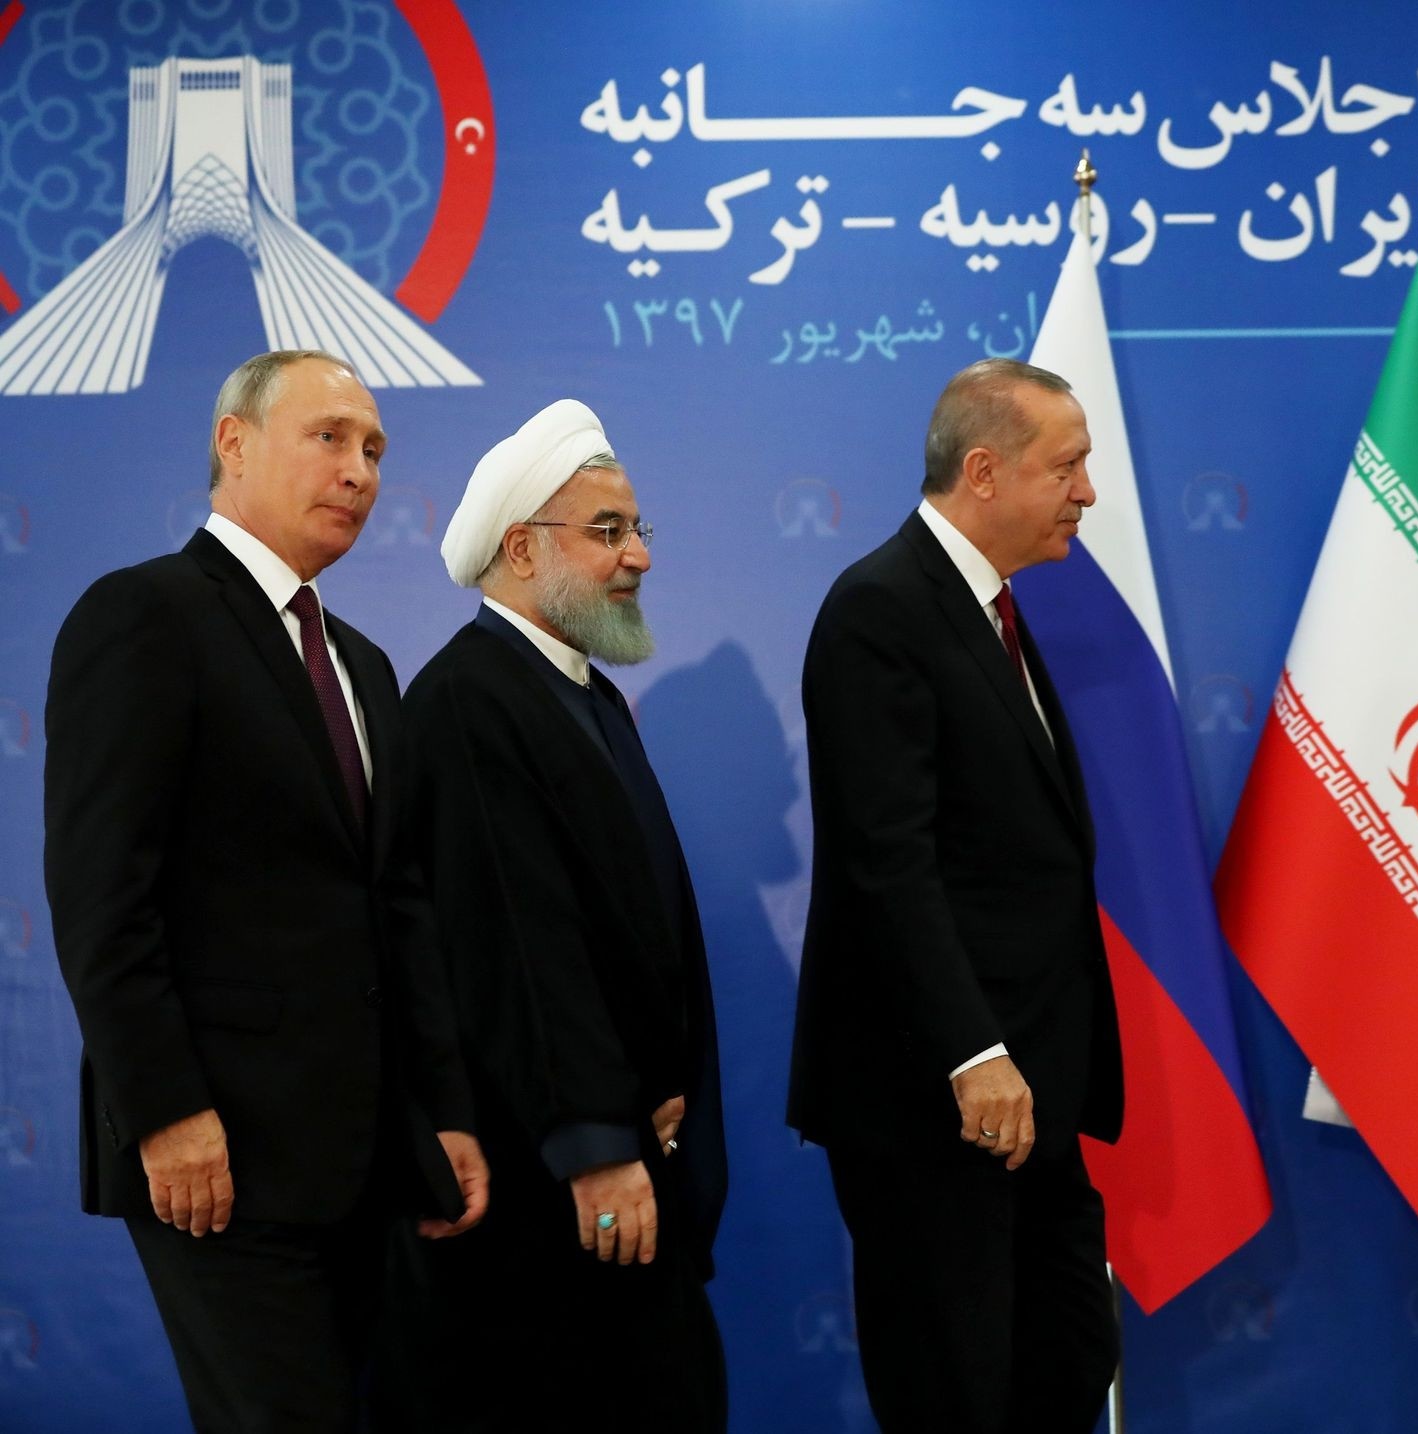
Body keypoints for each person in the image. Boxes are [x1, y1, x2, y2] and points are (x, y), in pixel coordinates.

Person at [42, 349, 488, 1433]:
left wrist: (445, 1115)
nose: (359, 470)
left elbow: (399, 910)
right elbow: (103, 893)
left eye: (374, 449)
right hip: (219, 1159)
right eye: (329, 437)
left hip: (366, 1159)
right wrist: (166, 1113)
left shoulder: (366, 667)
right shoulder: (144, 615)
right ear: (232, 446)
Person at [790, 358, 1125, 1433]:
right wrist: (973, 1054)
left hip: (1032, 1102)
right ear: (983, 472)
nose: (1086, 491)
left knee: (1066, 1361)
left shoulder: (992, 611)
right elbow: (887, 862)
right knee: (956, 1390)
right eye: (1065, 466)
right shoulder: (879, 611)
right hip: (936, 1101)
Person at [386, 400, 727, 1429]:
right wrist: (593, 1142)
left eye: (639, 531)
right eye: (609, 532)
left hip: (627, 1158)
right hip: (554, 1193)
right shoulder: (470, 699)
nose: (639, 558)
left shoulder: (581, 694)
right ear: (523, 551)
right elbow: (519, 948)